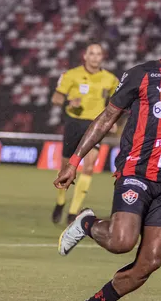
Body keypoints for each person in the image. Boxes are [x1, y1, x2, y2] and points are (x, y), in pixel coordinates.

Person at [54, 13, 161, 301]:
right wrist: (74, 160)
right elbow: (108, 117)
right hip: (137, 173)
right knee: (121, 242)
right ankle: (86, 222)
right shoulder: (142, 74)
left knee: (150, 262)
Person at [51, 43, 119, 224]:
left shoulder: (110, 79)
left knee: (89, 166)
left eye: (99, 54)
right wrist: (68, 101)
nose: (95, 57)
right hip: (73, 123)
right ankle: (60, 202)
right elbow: (56, 98)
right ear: (85, 56)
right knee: (66, 168)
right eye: (92, 53)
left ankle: (73, 212)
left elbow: (118, 102)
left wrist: (112, 121)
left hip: (95, 125)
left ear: (102, 57)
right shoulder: (70, 75)